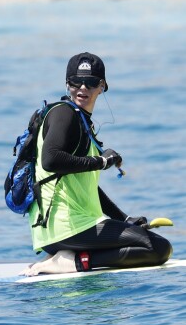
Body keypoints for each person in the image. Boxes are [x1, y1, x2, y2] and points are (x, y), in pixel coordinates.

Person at [21, 52, 172, 276]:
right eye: (75, 81)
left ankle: (62, 256)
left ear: (102, 86)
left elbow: (83, 186)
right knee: (157, 248)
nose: (82, 88)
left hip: (55, 233)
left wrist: (124, 219)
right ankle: (71, 262)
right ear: (67, 84)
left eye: (91, 82)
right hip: (71, 227)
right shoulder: (65, 114)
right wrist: (101, 162)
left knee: (146, 242)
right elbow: (51, 159)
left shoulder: (80, 121)